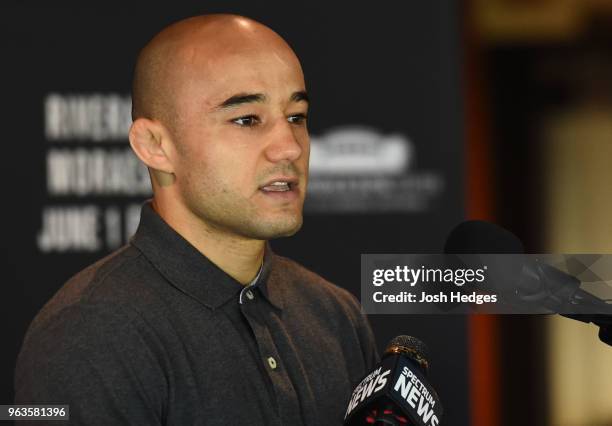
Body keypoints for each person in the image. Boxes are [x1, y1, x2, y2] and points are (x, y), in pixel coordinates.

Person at [14, 14, 378, 425]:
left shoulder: (335, 314)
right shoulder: (86, 334)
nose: (289, 147)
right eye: (247, 120)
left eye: (296, 117)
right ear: (155, 145)